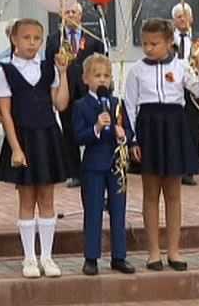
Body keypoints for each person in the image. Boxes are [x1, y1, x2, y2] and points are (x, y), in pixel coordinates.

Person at [126, 18, 199, 272]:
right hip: (148, 126)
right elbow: (130, 106)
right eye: (145, 43)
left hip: (173, 126)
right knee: (151, 193)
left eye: (155, 43)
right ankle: (153, 252)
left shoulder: (182, 66)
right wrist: (132, 139)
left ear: (169, 42)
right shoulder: (136, 70)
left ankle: (174, 250)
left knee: (173, 194)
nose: (149, 48)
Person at [0, 18, 70, 278]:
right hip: (23, 138)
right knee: (27, 198)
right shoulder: (6, 70)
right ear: (14, 39)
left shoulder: (48, 68)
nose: (31, 43)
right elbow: (5, 113)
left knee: (47, 198)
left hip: (47, 136)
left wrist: (63, 73)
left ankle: (47, 257)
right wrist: (16, 148)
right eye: (26, 38)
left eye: (36, 38)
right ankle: (29, 258)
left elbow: (60, 104)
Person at [71, 53, 136, 276]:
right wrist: (97, 128)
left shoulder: (117, 103)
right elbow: (78, 136)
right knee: (94, 211)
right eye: (97, 75)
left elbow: (128, 130)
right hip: (93, 165)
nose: (102, 80)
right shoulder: (81, 105)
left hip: (117, 164)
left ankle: (119, 256)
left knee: (119, 211)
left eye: (106, 76)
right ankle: (91, 257)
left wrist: (122, 134)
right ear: (86, 79)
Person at [46, 3, 105, 188]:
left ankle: (95, 167)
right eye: (67, 12)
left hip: (88, 91)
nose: (71, 15)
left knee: (92, 128)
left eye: (74, 12)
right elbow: (49, 67)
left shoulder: (93, 39)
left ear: (81, 16)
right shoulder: (54, 40)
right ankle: (74, 173)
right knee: (69, 131)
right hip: (66, 91)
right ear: (62, 16)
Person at [171, 3, 199, 186]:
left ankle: (190, 170)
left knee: (193, 129)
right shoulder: (169, 40)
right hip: (175, 89)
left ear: (192, 19)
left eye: (186, 15)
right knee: (176, 129)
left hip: (195, 89)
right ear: (174, 21)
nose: (183, 19)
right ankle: (177, 167)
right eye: (179, 16)